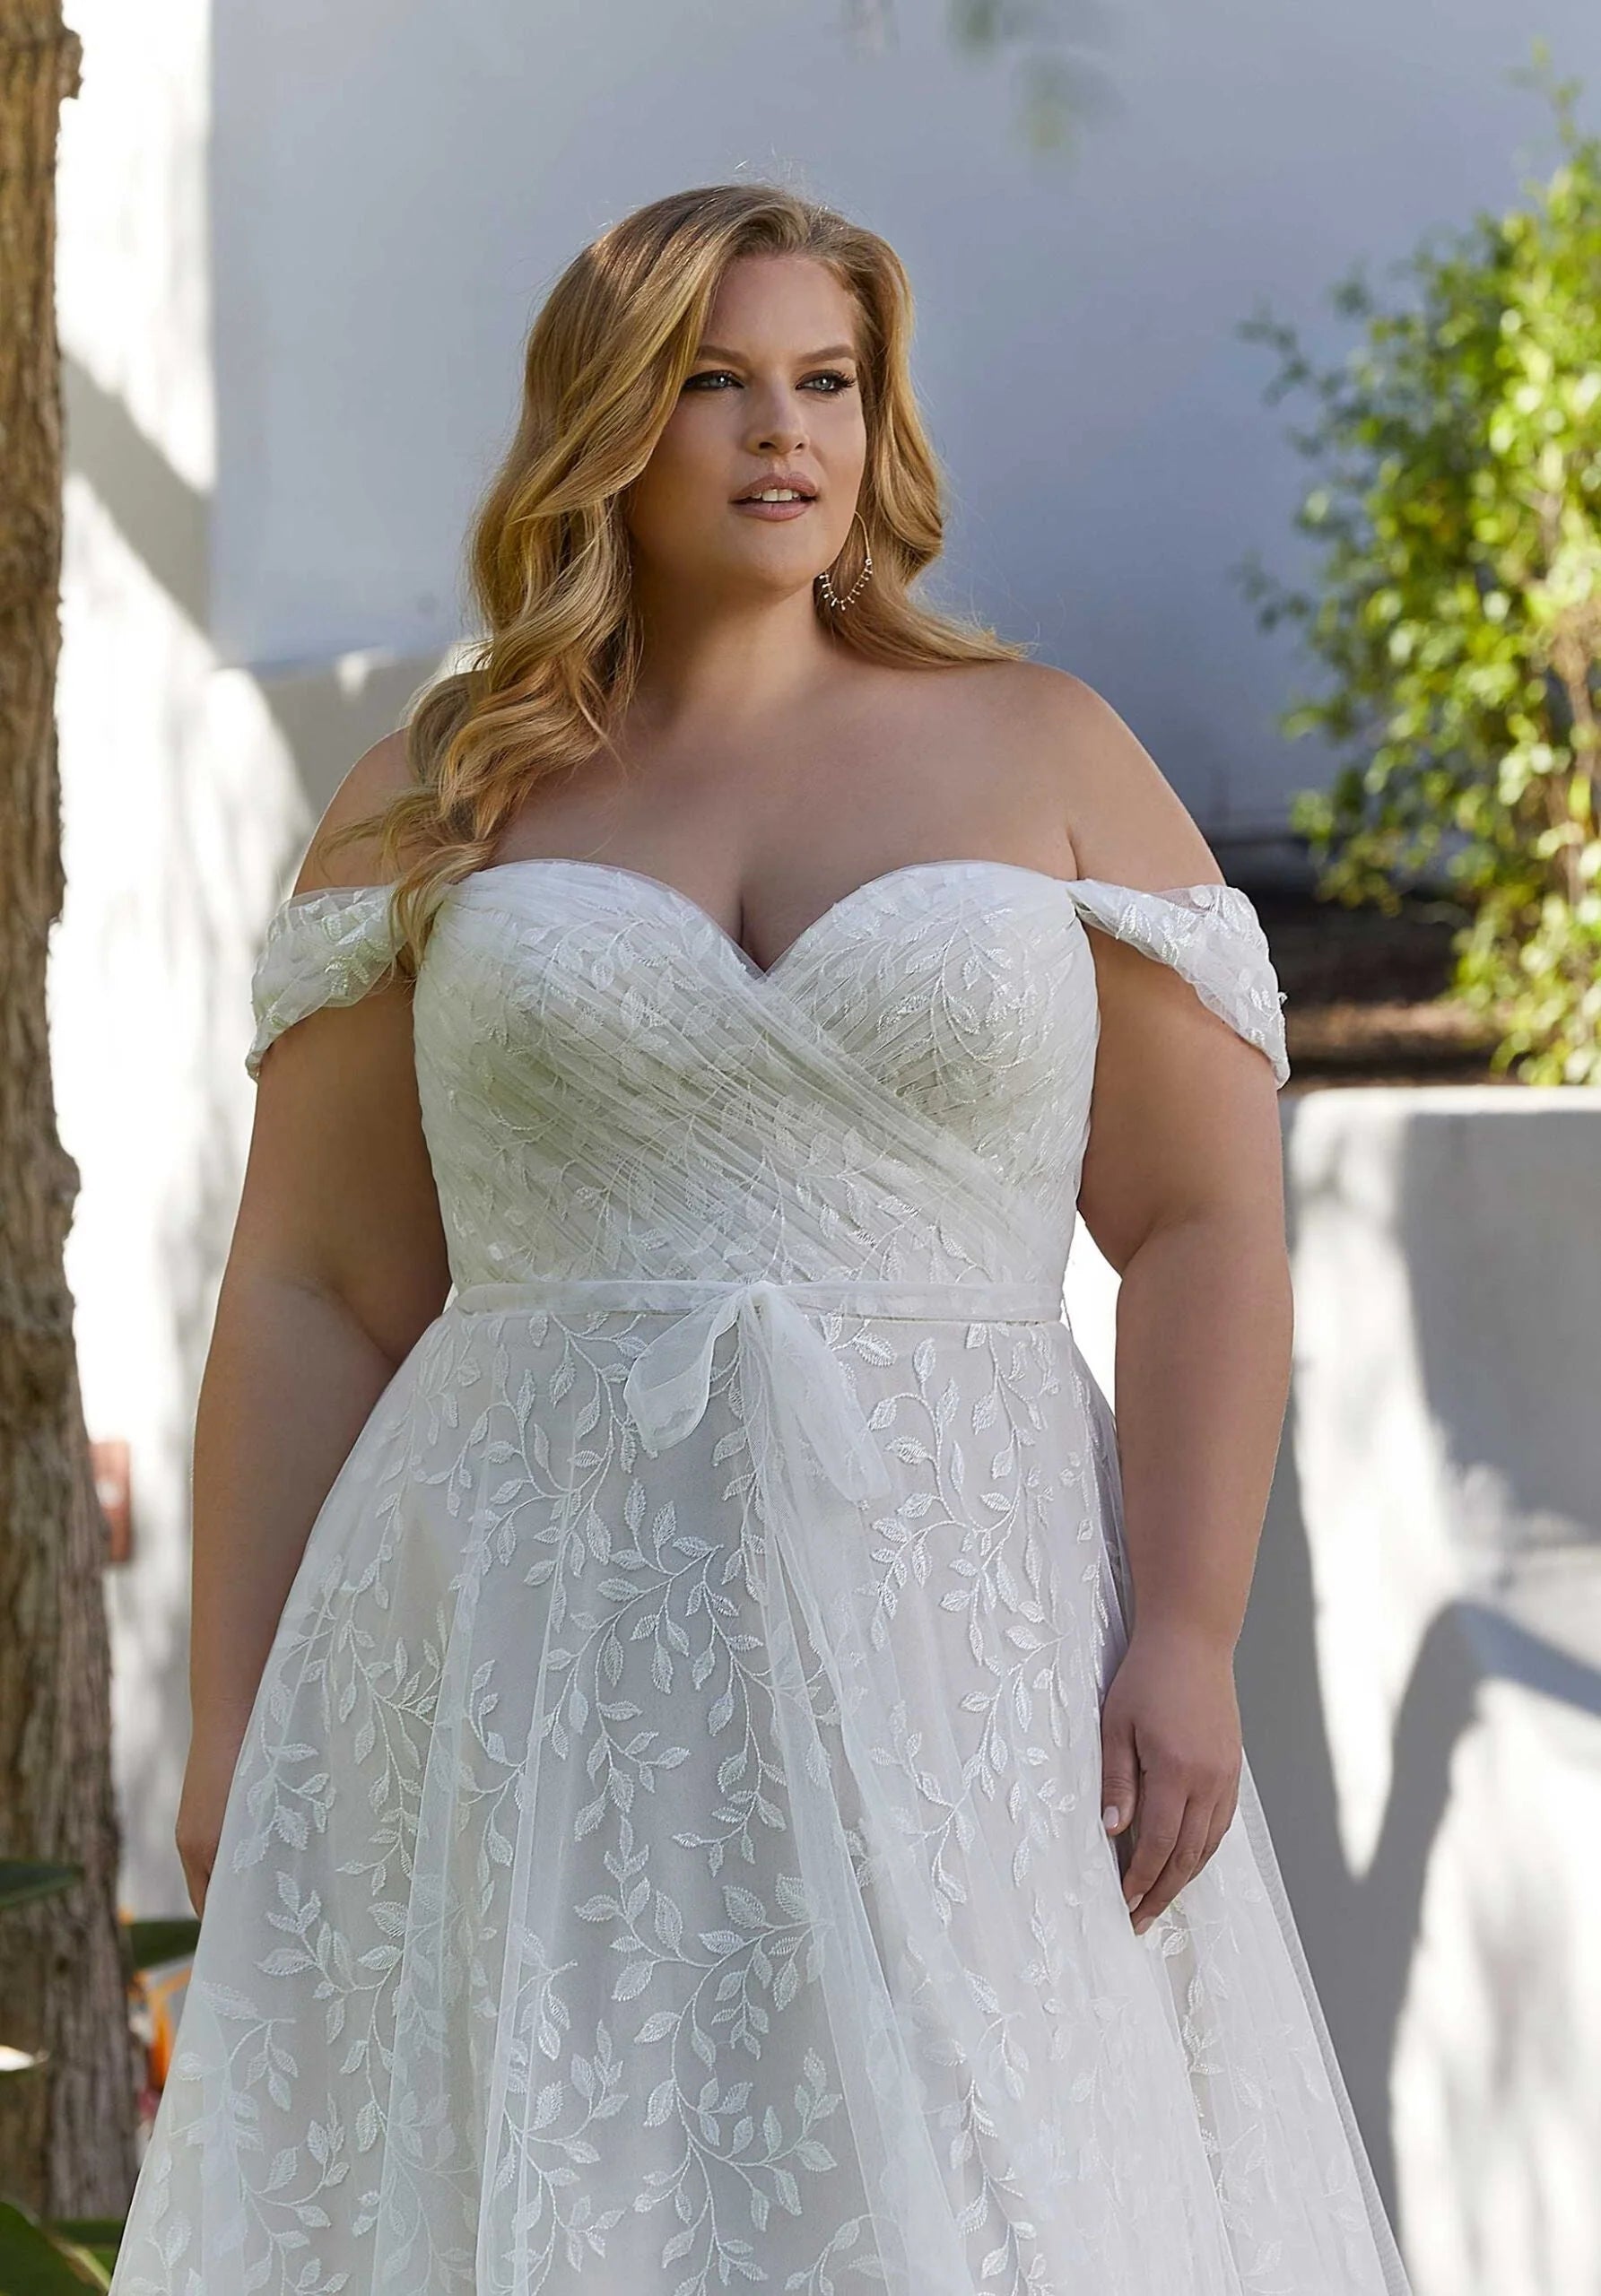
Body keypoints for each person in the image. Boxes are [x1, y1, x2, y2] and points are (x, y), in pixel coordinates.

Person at [111, 183, 1414, 2293]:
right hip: (521, 1627)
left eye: (824, 381)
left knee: (980, 2180)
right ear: (603, 425)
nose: (776, 431)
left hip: (969, 1611)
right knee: (567, 2165)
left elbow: (1198, 1221)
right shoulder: (436, 792)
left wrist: (1185, 1622)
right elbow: (313, 1286)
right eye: (712, 382)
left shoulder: (1041, 748)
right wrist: (235, 1718)